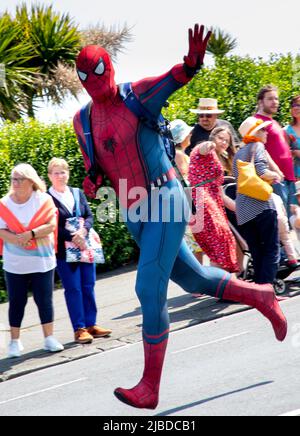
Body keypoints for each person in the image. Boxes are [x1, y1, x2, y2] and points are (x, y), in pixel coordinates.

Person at [74, 24, 287, 411]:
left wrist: (191, 62)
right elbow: (97, 167)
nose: (93, 81)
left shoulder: (135, 96)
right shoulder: (83, 121)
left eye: (98, 72)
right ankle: (262, 295)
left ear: (111, 68)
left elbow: (173, 79)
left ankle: (149, 387)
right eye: (85, 76)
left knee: (147, 289)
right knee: (194, 278)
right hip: (134, 210)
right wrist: (93, 180)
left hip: (165, 198)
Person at [0, 164, 64, 358]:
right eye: (13, 179)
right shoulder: (4, 204)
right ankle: (14, 342)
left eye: (20, 179)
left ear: (31, 181)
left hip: (42, 261)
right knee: (17, 302)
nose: (15, 183)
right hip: (15, 263)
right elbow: (1, 230)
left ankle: (49, 338)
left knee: (44, 300)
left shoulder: (44, 200)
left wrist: (30, 234)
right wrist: (19, 239)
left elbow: (51, 225)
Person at [47, 158, 112, 345]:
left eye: (63, 172)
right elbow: (51, 225)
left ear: (67, 173)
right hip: (64, 250)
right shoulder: (47, 198)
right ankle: (79, 329)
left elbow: (89, 216)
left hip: (85, 245)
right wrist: (72, 237)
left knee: (88, 285)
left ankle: (91, 325)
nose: (60, 176)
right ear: (50, 176)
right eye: (56, 173)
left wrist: (83, 231)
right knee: (73, 289)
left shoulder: (76, 193)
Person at [233, 117, 282, 285]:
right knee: (271, 248)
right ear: (255, 133)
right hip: (261, 205)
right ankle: (268, 287)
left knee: (257, 251)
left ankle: (261, 289)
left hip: (243, 211)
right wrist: (276, 175)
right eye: (262, 129)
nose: (266, 132)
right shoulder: (258, 146)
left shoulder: (238, 152)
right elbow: (261, 171)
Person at [188, 127, 239, 273]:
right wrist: (210, 144)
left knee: (218, 241)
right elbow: (204, 148)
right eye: (220, 138)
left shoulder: (217, 156)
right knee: (218, 239)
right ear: (213, 136)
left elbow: (220, 193)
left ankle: (219, 280)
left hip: (210, 199)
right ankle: (218, 283)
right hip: (202, 198)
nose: (223, 142)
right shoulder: (204, 149)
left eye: (227, 141)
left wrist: (239, 208)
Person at [255, 85, 296, 216]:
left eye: (276, 99)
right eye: (270, 99)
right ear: (261, 102)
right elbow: (258, 148)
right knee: (281, 221)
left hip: (288, 177)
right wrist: (276, 170)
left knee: (291, 221)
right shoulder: (257, 122)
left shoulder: (273, 122)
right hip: (275, 179)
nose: (275, 102)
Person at [170, 119, 203, 263]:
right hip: (188, 206)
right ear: (181, 137)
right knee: (196, 248)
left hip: (181, 207)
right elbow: (187, 180)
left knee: (193, 247)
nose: (190, 135)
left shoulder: (173, 155)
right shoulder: (180, 156)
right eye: (187, 133)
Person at [284, 95, 300, 180]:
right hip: (296, 176)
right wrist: (293, 152)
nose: (296, 108)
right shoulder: (286, 131)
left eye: (299, 105)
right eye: (293, 105)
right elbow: (284, 154)